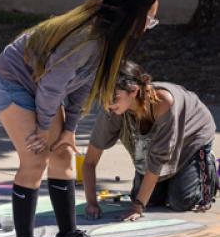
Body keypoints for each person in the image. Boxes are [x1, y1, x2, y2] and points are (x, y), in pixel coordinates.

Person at [0, 0, 159, 237]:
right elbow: (52, 87)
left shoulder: (108, 40)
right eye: (149, 19)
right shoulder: (88, 38)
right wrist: (43, 128)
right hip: (15, 80)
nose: (149, 26)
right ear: (132, 15)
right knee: (35, 157)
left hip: (43, 85)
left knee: (64, 153)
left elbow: (82, 86)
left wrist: (68, 130)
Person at [83, 61, 217, 221]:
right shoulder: (113, 109)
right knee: (151, 201)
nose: (108, 103)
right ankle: (173, 178)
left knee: (180, 201)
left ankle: (206, 168)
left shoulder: (164, 102)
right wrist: (91, 203)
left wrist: (137, 207)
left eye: (114, 97)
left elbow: (157, 161)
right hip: (161, 146)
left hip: (191, 138)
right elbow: (90, 161)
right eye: (104, 97)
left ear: (133, 91)